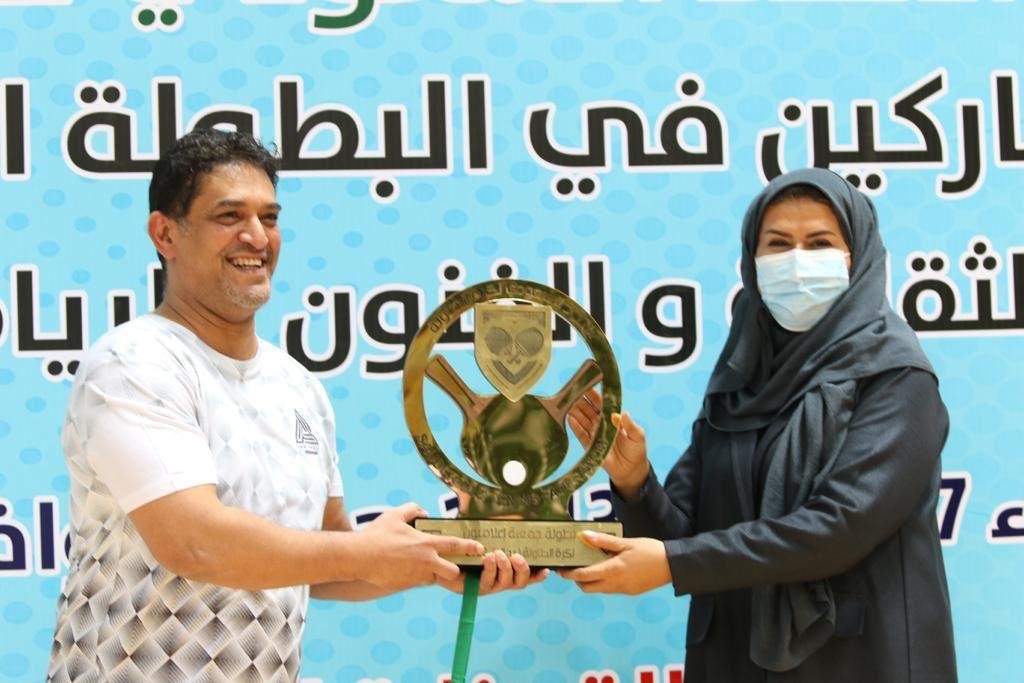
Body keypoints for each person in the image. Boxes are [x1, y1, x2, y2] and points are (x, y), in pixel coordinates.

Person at [48, 128, 541, 682]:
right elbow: (195, 543)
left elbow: (322, 562)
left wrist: (442, 558)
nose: (257, 237)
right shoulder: (133, 364)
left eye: (270, 217)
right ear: (165, 233)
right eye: (229, 216)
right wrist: (368, 554)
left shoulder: (298, 387)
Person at [564, 168, 957, 681]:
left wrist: (675, 564)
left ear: (857, 255)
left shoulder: (897, 377)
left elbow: (841, 527)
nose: (796, 262)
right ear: (752, 261)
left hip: (860, 661)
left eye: (819, 243)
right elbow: (681, 534)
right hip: (735, 660)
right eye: (778, 244)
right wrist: (635, 482)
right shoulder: (743, 378)